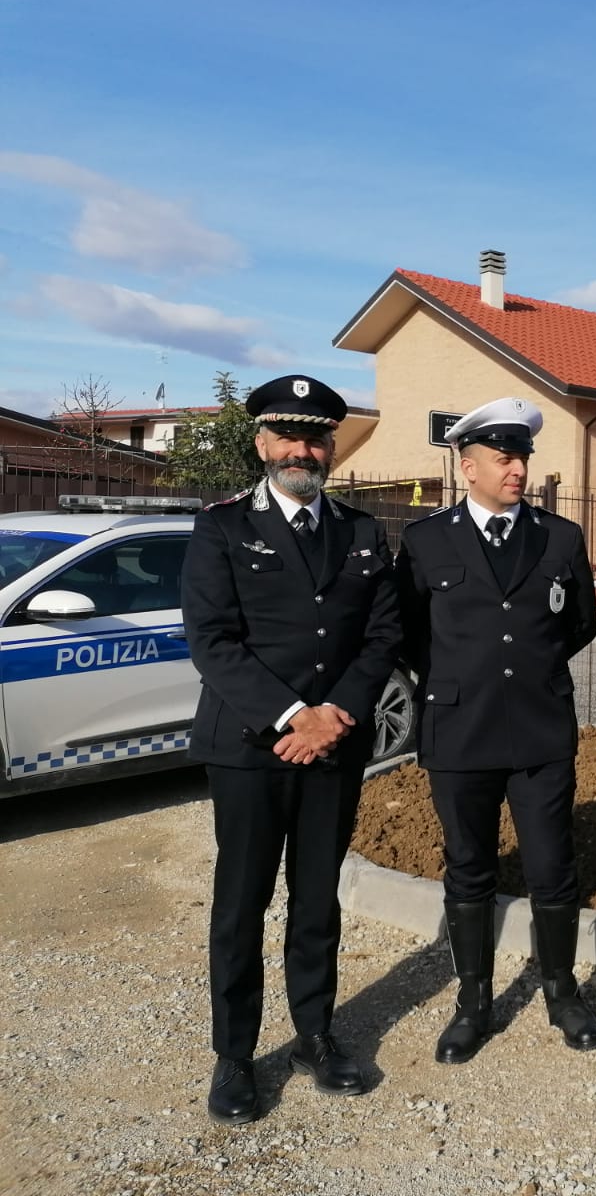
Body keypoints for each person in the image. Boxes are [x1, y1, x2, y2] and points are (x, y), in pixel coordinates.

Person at [182, 374, 403, 1126]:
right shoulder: (221, 528)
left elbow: (382, 635)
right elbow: (212, 640)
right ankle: (235, 1055)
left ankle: (314, 1035)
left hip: (334, 746)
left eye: (314, 438)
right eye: (287, 436)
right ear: (261, 444)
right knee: (241, 904)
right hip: (250, 748)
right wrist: (292, 717)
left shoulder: (363, 531)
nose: (300, 450)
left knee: (315, 900)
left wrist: (334, 714)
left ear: (331, 448)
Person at [396, 397, 596, 1062]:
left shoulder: (560, 537)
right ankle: (474, 1002)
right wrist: (464, 678)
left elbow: (580, 622)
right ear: (468, 466)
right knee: (469, 867)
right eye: (504, 458)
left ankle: (562, 993)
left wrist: (529, 672)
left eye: (522, 458)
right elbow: (408, 630)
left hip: (540, 729)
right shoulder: (426, 540)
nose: (517, 470)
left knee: (552, 867)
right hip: (460, 730)